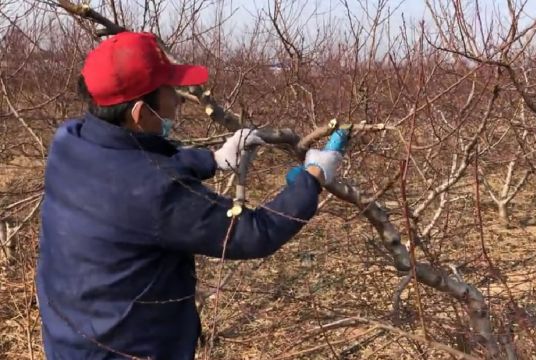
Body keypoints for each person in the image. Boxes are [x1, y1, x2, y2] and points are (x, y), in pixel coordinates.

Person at [35, 31, 347, 360]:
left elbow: (130, 169)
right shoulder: (158, 191)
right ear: (140, 113)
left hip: (69, 336)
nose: (179, 99)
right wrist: (313, 177)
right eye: (171, 90)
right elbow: (253, 233)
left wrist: (211, 159)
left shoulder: (70, 140)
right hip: (127, 349)